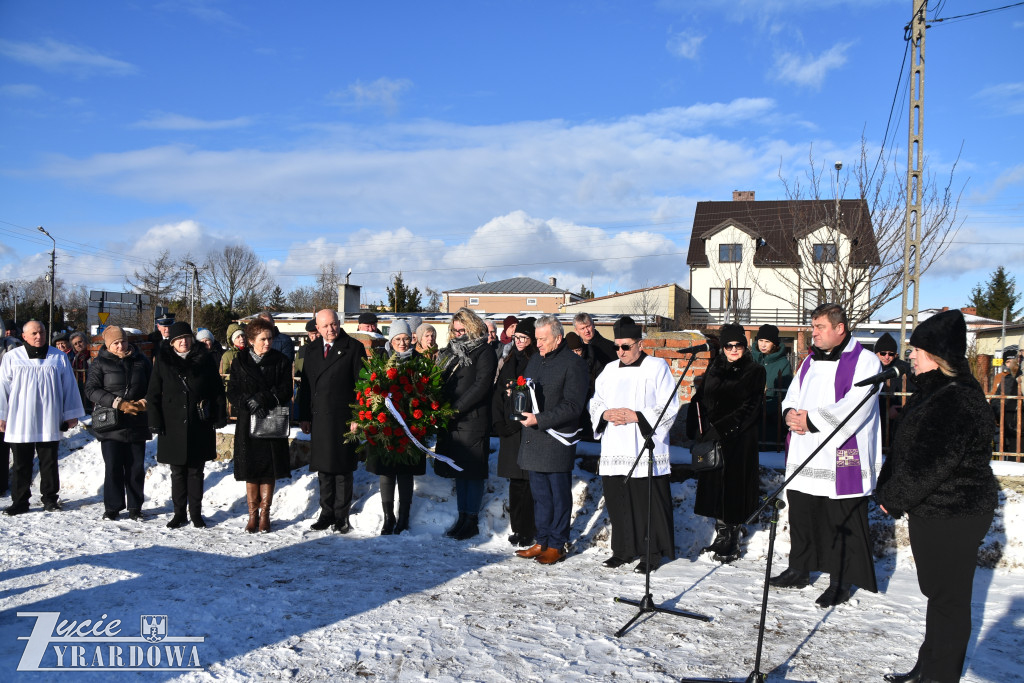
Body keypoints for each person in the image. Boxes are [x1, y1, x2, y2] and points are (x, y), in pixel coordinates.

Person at [875, 310, 1000, 683]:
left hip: (955, 512)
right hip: (933, 509)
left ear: (937, 354)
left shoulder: (957, 397)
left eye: (917, 350)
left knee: (949, 600)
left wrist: (894, 497)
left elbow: (933, 462)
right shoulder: (933, 390)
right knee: (939, 595)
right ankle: (927, 666)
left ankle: (940, 676)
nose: (909, 355)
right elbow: (910, 450)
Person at [771, 303, 883, 607]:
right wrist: (790, 414)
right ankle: (800, 568)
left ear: (839, 328)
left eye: (819, 327)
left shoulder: (866, 362)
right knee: (803, 512)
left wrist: (812, 420)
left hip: (841, 453)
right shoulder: (809, 361)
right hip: (806, 447)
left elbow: (856, 405)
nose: (813, 333)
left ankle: (840, 580)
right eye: (813, 326)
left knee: (840, 518)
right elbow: (793, 394)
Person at [590, 316, 681, 572]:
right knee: (617, 499)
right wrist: (605, 414)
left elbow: (669, 404)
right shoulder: (609, 370)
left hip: (643, 445)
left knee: (645, 503)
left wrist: (637, 416)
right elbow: (595, 401)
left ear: (639, 344)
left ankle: (650, 553)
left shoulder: (657, 367)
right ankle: (622, 550)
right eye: (617, 347)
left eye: (625, 346)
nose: (620, 352)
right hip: (615, 445)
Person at [687, 324, 766, 563]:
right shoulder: (715, 368)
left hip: (738, 441)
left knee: (733, 490)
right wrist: (697, 422)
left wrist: (721, 429)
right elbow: (701, 398)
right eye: (728, 345)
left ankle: (731, 541)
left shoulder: (755, 371)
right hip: (713, 440)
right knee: (716, 490)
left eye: (738, 345)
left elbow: (750, 408)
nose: (733, 349)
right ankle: (721, 535)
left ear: (744, 346)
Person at [515, 315, 589, 565]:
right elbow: (529, 389)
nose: (538, 344)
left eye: (543, 339)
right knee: (540, 496)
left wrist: (540, 419)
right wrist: (517, 397)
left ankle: (557, 544)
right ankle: (542, 540)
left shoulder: (573, 364)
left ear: (558, 338)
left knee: (558, 496)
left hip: (558, 439)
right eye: (536, 339)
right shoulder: (536, 359)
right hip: (534, 438)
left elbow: (572, 406)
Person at [146, 321, 227, 528]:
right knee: (177, 472)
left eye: (186, 338)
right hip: (171, 424)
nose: (183, 342)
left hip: (198, 422)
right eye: (178, 339)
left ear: (192, 339)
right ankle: (179, 513)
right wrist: (154, 421)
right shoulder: (163, 361)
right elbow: (154, 393)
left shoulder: (205, 359)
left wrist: (219, 416)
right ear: (172, 342)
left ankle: (196, 513)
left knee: (196, 471)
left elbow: (217, 390)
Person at [0, 320, 84, 515]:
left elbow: (69, 387)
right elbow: (2, 389)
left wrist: (71, 414)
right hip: (20, 418)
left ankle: (50, 499)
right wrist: (2, 415)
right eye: (35, 333)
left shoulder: (58, 357)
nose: (39, 336)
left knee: (49, 461)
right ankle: (20, 501)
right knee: (21, 463)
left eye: (42, 333)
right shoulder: (12, 358)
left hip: (49, 416)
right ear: (24, 336)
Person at [297, 309, 366, 533]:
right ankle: (326, 513)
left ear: (339, 323)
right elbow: (306, 386)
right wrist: (304, 416)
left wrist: (358, 416)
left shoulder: (353, 348)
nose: (331, 329)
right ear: (317, 328)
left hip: (343, 418)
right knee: (324, 470)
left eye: (334, 324)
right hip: (319, 418)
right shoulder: (311, 350)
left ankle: (341, 515)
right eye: (325, 326)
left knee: (342, 469)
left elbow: (362, 386)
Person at [226, 317, 293, 533]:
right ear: (252, 339)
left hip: (271, 420)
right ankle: (252, 515)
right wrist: (247, 402)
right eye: (263, 339)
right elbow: (232, 391)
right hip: (248, 422)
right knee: (251, 470)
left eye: (270, 338)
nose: (268, 343)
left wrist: (263, 399)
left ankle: (265, 514)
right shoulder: (239, 361)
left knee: (268, 470)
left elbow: (286, 390)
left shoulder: (281, 361)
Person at [435, 307, 497, 540]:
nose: (458, 334)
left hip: (472, 419)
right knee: (460, 471)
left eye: (462, 330)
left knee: (472, 472)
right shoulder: (451, 352)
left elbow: (481, 385)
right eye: (455, 331)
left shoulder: (484, 351)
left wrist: (456, 409)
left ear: (472, 328)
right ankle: (462, 516)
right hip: (452, 420)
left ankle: (471, 519)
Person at [85, 326, 153, 521]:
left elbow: (154, 386)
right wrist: (118, 403)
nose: (120, 345)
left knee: (135, 467)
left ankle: (135, 507)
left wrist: (143, 403)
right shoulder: (99, 363)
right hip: (111, 423)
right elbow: (91, 389)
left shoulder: (142, 361)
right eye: (116, 343)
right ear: (108, 345)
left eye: (123, 341)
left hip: (136, 422)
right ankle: (112, 507)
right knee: (113, 466)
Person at [365, 320, 424, 535]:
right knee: (387, 471)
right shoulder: (382, 361)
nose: (402, 343)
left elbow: (426, 390)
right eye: (398, 339)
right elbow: (370, 388)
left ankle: (404, 517)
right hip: (386, 425)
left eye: (406, 339)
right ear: (391, 340)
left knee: (406, 473)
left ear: (411, 339)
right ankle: (388, 517)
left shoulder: (418, 360)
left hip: (410, 425)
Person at [492, 317, 537, 547]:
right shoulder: (509, 360)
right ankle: (517, 528)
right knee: (515, 483)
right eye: (517, 337)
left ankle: (528, 529)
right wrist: (500, 422)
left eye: (524, 338)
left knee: (528, 482)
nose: (519, 342)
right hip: (510, 431)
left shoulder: (536, 361)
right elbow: (499, 392)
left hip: (527, 430)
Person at [750, 323, 793, 447]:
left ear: (774, 343)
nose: (763, 344)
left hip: (772, 420)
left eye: (767, 341)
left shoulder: (783, 364)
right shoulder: (750, 359)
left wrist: (766, 407)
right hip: (749, 418)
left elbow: (785, 394)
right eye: (760, 340)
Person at [874, 332, 915, 441]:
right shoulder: (870, 367)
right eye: (883, 353)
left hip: (897, 421)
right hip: (875, 417)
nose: (887, 357)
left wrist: (900, 409)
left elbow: (913, 394)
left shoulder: (903, 369)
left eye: (890, 354)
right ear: (876, 353)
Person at [991, 353, 1021, 453]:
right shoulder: (1004, 379)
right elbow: (995, 399)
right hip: (1008, 427)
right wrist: (1002, 415)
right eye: (1007, 361)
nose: (1010, 364)